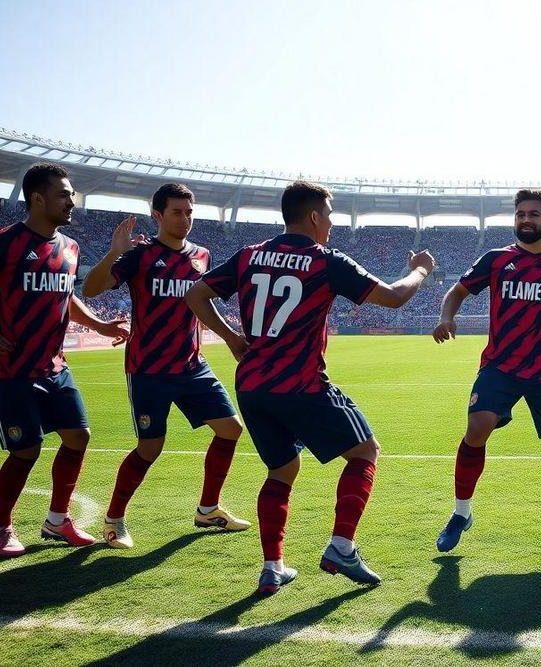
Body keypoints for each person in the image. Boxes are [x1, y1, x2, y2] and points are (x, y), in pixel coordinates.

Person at [186, 180, 434, 595]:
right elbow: (393, 297)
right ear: (315, 216)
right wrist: (421, 269)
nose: (332, 224)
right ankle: (342, 546)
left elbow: (196, 294)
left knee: (282, 469)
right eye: (331, 216)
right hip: (301, 384)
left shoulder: (249, 255)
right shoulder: (324, 260)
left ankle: (272, 566)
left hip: (252, 385)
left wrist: (232, 338)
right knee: (365, 451)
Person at [0, 163, 129, 556]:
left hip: (54, 366)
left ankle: (57, 520)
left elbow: (66, 296)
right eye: (63, 194)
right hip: (11, 370)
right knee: (26, 451)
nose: (71, 201)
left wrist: (100, 326)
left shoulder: (70, 248)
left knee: (79, 436)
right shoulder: (1, 243)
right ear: (37, 199)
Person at [432, 189, 541, 553]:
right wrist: (447, 316)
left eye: (534, 214)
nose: (526, 220)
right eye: (520, 214)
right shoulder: (497, 260)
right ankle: (461, 513)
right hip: (501, 366)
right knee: (477, 428)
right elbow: (458, 290)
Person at [83, 183, 248, 548]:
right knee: (150, 448)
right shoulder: (139, 255)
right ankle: (113, 520)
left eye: (189, 212)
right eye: (177, 212)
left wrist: (231, 335)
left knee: (230, 429)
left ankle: (208, 509)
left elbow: (203, 302)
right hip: (149, 369)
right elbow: (90, 289)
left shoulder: (201, 255)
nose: (185, 219)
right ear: (157, 215)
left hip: (192, 366)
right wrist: (113, 253)